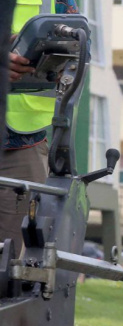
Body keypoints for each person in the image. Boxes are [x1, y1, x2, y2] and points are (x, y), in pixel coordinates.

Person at [0, 0, 81, 258]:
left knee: (10, 261)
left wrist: (54, 61)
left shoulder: (57, 2)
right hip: (20, 146)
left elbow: (80, 47)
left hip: (21, 144)